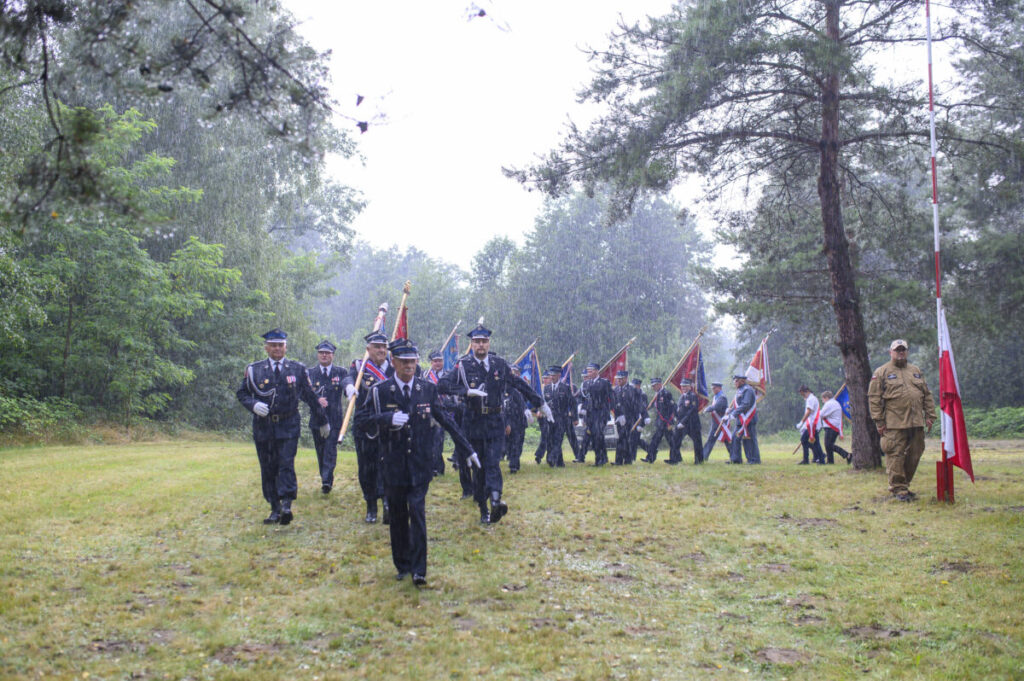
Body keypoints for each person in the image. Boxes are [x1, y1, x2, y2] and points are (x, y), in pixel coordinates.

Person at [355, 340, 478, 586]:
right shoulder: (380, 390)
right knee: (398, 515)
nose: (410, 366)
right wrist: (386, 418)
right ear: (394, 362)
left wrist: (467, 449)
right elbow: (360, 420)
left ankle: (420, 569)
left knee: (417, 512)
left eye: (413, 361)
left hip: (420, 464)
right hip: (392, 463)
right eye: (404, 361)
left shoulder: (427, 390)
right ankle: (402, 564)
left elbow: (446, 420)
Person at [439, 323, 551, 524]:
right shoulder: (463, 365)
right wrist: (465, 392)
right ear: (471, 344)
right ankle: (484, 508)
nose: (481, 345)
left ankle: (496, 500)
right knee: (479, 467)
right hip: (473, 421)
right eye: (477, 342)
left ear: (489, 343)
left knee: (493, 462)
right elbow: (443, 385)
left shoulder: (499, 364)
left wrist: (539, 402)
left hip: (495, 420)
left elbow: (518, 383)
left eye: (484, 341)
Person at [236, 328, 327, 525]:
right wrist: (253, 405)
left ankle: (287, 504)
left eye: (281, 345)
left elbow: (311, 396)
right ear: (266, 348)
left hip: (288, 424)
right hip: (264, 426)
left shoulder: (297, 369)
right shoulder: (255, 370)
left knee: (286, 463)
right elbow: (242, 393)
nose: (277, 349)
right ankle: (274, 508)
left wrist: (322, 420)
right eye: (273, 345)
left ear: (286, 347)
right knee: (268, 467)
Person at [868, 339, 936, 501]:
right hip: (894, 423)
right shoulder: (881, 372)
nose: (900, 352)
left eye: (903, 350)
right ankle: (898, 488)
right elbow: (874, 399)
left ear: (907, 351)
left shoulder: (916, 370)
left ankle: (904, 484)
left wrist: (930, 415)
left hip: (916, 421)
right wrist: (879, 421)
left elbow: (926, 394)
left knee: (916, 452)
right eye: (897, 350)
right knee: (895, 453)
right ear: (890, 352)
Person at [350, 331, 394, 523]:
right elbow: (347, 378)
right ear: (368, 349)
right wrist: (348, 387)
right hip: (365, 425)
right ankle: (371, 505)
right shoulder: (359, 367)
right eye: (377, 347)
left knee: (389, 465)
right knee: (367, 467)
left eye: (384, 347)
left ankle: (387, 501)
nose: (381, 350)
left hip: (390, 425)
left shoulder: (395, 368)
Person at [307, 340, 355, 494]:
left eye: (327, 353)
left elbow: (347, 382)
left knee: (330, 450)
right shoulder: (310, 373)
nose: (324, 355)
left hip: (334, 420)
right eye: (321, 352)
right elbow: (303, 393)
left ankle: (327, 481)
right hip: (316, 420)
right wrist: (316, 399)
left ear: (333, 355)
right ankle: (324, 477)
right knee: (320, 451)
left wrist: (349, 390)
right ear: (318, 354)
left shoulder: (340, 372)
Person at [577, 362, 613, 466]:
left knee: (598, 436)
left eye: (591, 371)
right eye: (588, 371)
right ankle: (603, 457)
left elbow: (611, 398)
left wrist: (611, 410)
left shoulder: (604, 383)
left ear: (597, 371)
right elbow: (586, 399)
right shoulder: (587, 383)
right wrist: (584, 409)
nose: (589, 373)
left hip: (601, 414)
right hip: (591, 414)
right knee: (595, 437)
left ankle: (599, 460)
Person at [545, 365, 576, 467]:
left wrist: (574, 418)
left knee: (558, 439)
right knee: (550, 439)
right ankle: (559, 462)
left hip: (562, 418)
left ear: (559, 375)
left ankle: (551, 458)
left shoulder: (565, 388)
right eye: (550, 375)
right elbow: (544, 403)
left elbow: (572, 403)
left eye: (554, 375)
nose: (552, 377)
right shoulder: (547, 388)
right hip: (550, 418)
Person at [424, 350, 448, 476]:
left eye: (440, 361)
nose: (438, 363)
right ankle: (435, 466)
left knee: (438, 439)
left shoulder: (448, 375)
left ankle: (437, 468)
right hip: (428, 411)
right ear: (431, 363)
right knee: (429, 440)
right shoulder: (425, 375)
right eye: (435, 361)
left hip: (444, 411)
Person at [727, 374, 760, 464]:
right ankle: (736, 459)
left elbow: (746, 404)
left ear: (742, 381)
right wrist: (730, 411)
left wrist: (734, 414)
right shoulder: (739, 390)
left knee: (750, 439)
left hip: (749, 420)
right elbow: (738, 405)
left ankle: (754, 460)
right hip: (741, 420)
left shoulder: (748, 390)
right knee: (735, 438)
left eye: (737, 381)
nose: (735, 383)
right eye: (735, 381)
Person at [669, 378, 704, 464]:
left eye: (685, 386)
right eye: (682, 386)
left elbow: (692, 411)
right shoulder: (682, 396)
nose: (683, 388)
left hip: (692, 424)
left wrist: (682, 422)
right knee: (675, 440)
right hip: (682, 424)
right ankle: (674, 459)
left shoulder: (693, 396)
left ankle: (699, 460)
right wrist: (676, 418)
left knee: (697, 442)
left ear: (689, 387)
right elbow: (679, 410)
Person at [503, 366, 529, 473]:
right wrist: (507, 423)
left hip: (519, 421)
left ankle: (514, 464)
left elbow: (523, 403)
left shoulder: (518, 390)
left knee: (517, 443)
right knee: (511, 444)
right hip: (508, 420)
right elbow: (503, 408)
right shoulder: (503, 391)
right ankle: (513, 463)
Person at [643, 378, 675, 463]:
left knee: (672, 441)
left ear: (660, 384)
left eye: (654, 385)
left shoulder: (666, 393)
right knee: (655, 441)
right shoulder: (657, 395)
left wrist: (669, 422)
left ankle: (674, 459)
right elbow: (654, 406)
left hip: (667, 422)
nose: (653, 387)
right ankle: (650, 458)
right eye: (652, 386)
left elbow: (671, 408)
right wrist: (646, 409)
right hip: (660, 423)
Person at [796, 385, 826, 465]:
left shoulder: (811, 399)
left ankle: (815, 459)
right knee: (810, 441)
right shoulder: (812, 398)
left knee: (806, 440)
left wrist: (801, 422)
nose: (802, 396)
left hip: (813, 424)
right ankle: (818, 459)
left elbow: (809, 411)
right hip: (812, 424)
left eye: (802, 394)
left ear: (805, 392)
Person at [819, 390, 851, 464]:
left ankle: (847, 455)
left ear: (826, 398)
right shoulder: (835, 403)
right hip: (835, 427)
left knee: (828, 445)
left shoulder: (828, 404)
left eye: (822, 399)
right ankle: (830, 461)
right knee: (829, 445)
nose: (822, 401)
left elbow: (821, 414)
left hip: (831, 427)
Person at [701, 381, 728, 461]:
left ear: (719, 388)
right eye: (712, 388)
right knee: (711, 440)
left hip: (721, 423)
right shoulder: (716, 397)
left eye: (714, 388)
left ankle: (735, 457)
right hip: (716, 423)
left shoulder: (722, 397)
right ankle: (703, 456)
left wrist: (707, 409)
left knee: (727, 440)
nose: (713, 389)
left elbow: (716, 407)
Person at [533, 372, 553, 464]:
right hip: (542, 417)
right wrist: (537, 411)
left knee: (550, 437)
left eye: (547, 378)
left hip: (552, 416)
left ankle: (545, 456)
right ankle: (540, 455)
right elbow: (535, 402)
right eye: (544, 378)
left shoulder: (553, 389)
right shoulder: (540, 390)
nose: (545, 380)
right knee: (545, 436)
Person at [629, 377, 650, 458]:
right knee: (634, 439)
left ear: (638, 386)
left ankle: (632, 457)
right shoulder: (632, 394)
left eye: (634, 386)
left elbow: (643, 409)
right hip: (632, 419)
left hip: (639, 420)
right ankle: (651, 450)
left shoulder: (642, 395)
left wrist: (641, 425)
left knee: (634, 440)